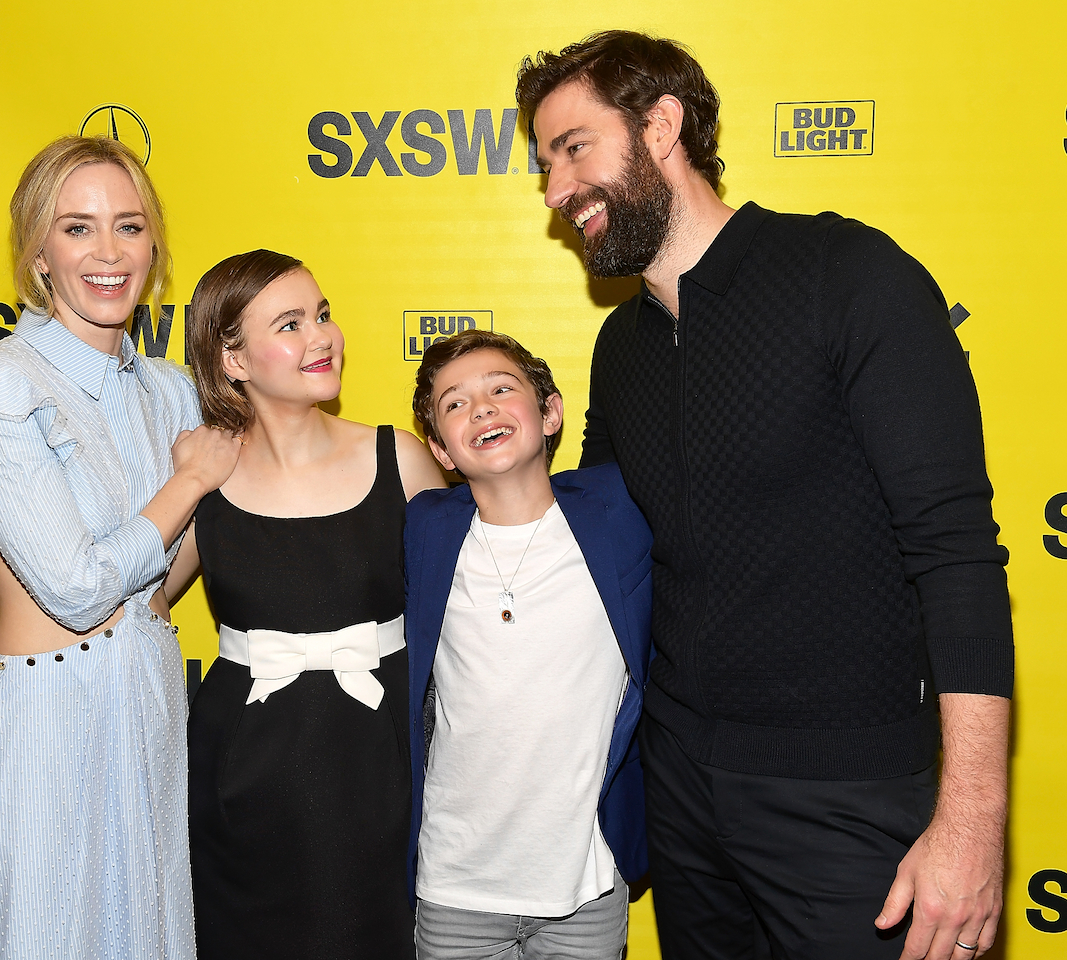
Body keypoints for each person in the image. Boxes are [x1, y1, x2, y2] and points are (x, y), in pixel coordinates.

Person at [516, 31, 1014, 960]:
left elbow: (958, 558)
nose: (553, 190)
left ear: (661, 126)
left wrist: (974, 823)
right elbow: (595, 551)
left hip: (849, 798)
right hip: (683, 800)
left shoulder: (848, 276)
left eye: (573, 148)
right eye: (544, 165)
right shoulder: (620, 348)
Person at [0, 136, 240, 960]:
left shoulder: (168, 390)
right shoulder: (2, 386)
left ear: (154, 245)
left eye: (128, 226)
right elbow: (75, 587)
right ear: (38, 254)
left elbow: (159, 581)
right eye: (78, 228)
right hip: (45, 722)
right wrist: (186, 484)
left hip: (148, 712)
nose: (108, 253)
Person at [162, 250, 446, 960]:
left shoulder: (401, 459)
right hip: (244, 774)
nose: (321, 337)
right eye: (289, 324)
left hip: (381, 767)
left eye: (322, 315)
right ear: (233, 360)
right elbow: (129, 602)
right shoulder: (205, 476)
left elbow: (464, 611)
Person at [403, 329, 653, 960]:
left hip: (585, 889)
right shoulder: (425, 530)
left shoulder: (619, 510)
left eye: (501, 390)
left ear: (550, 412)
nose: (481, 408)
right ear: (441, 448)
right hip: (454, 889)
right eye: (454, 403)